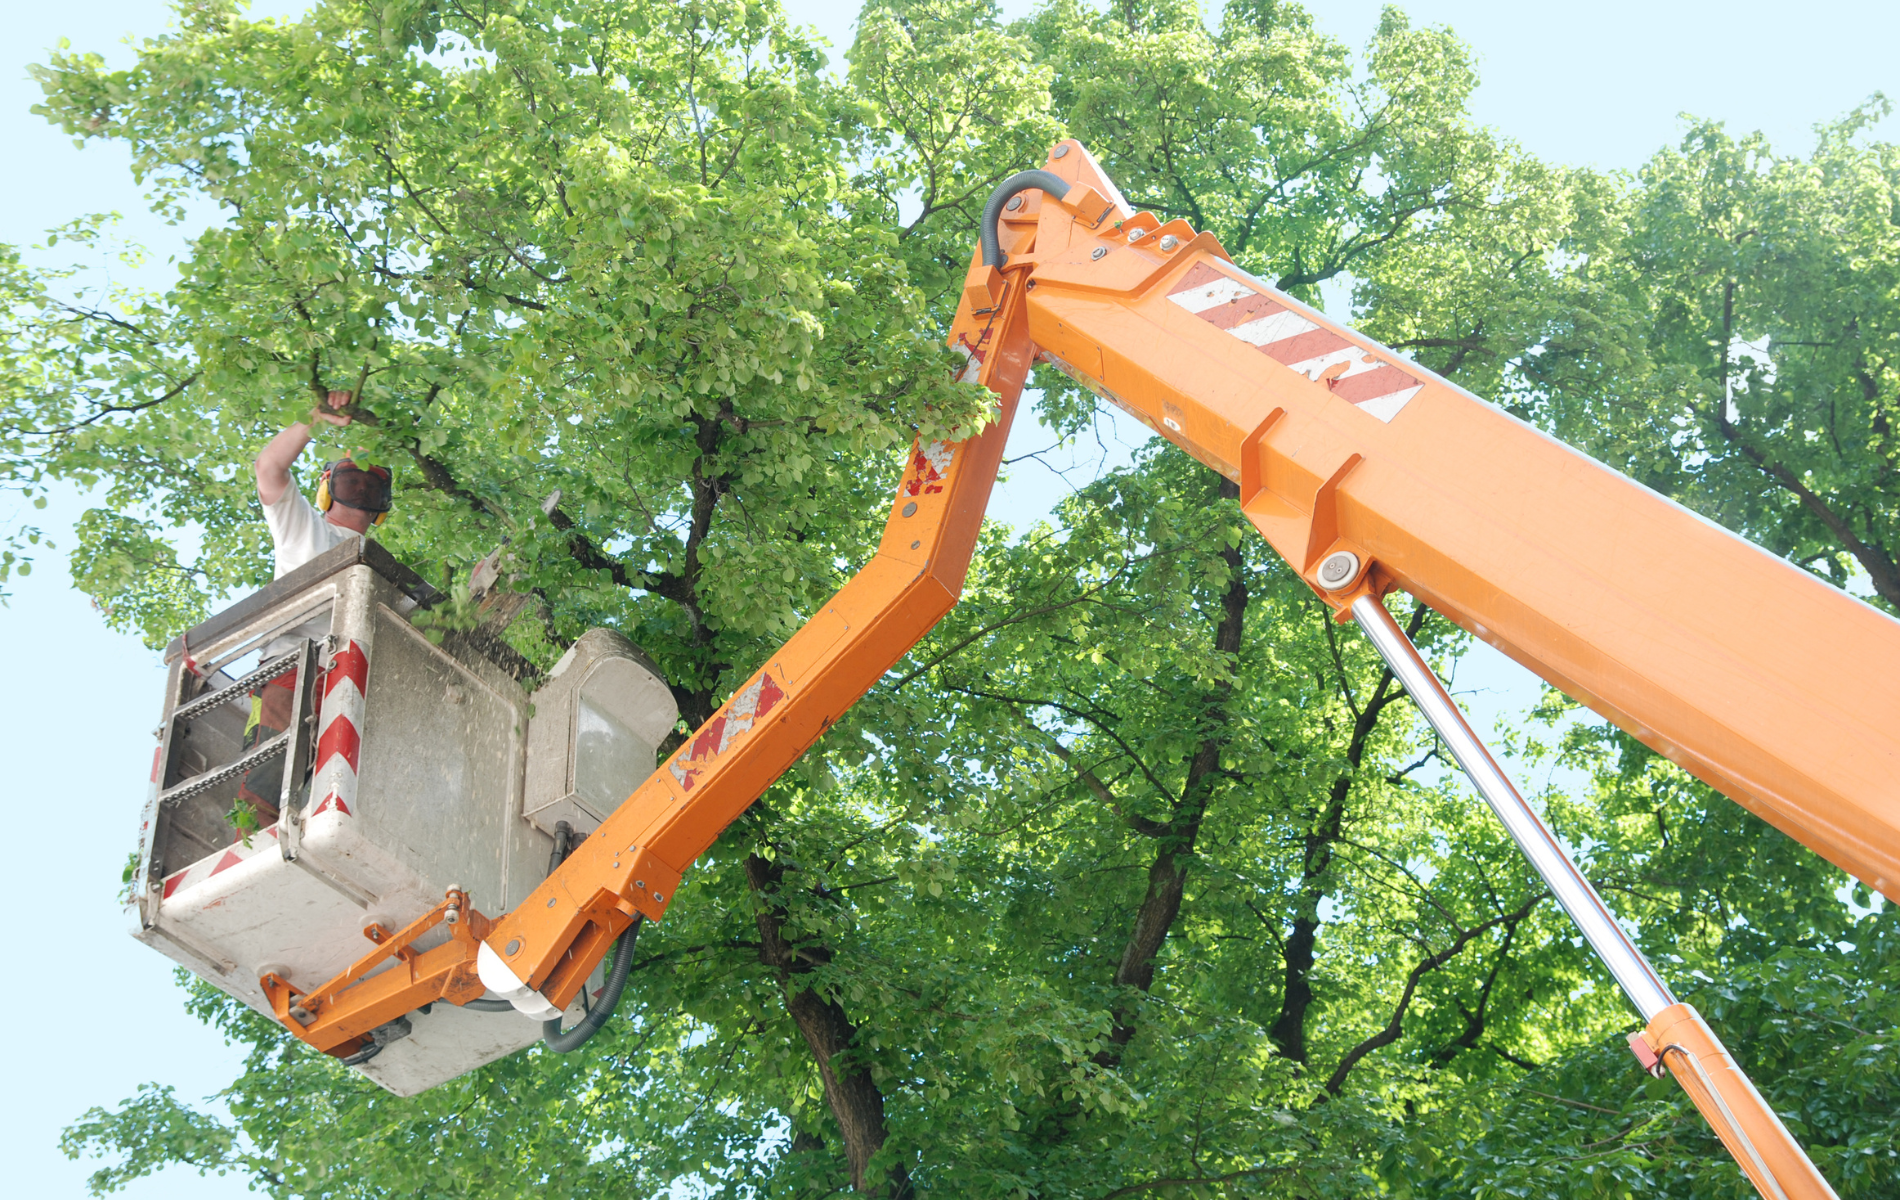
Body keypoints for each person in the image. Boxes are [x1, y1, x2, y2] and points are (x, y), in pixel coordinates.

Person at [235, 390, 394, 825]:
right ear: (327, 488)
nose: (360, 487)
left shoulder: (386, 576)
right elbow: (269, 467)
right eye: (350, 479)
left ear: (383, 504)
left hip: (353, 683)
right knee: (267, 785)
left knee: (339, 805)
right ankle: (252, 853)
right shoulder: (302, 526)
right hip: (293, 670)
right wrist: (314, 418)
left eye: (370, 483)